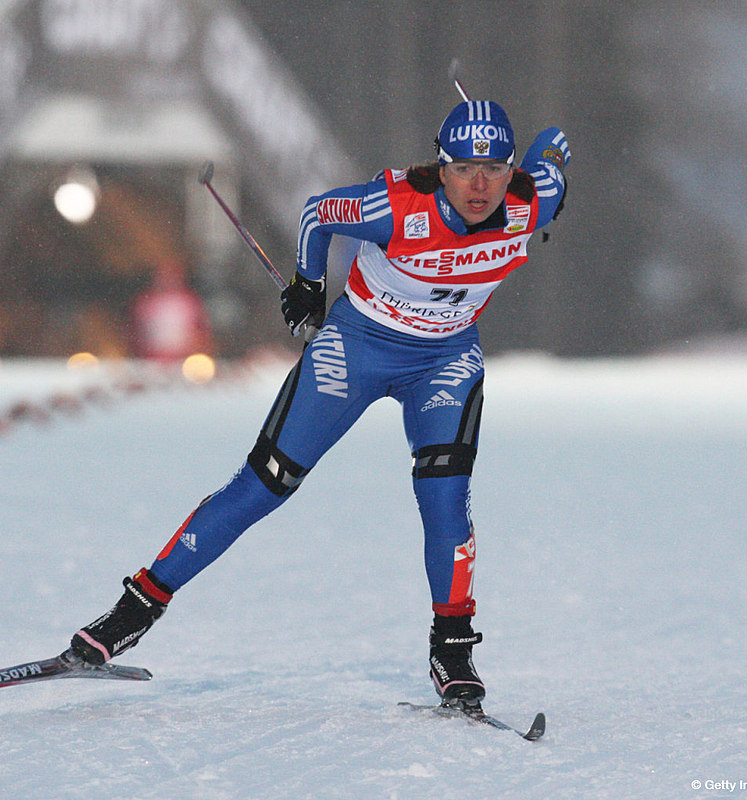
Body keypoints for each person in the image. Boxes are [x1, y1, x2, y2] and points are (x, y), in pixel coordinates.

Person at [68, 100, 570, 709]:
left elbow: (552, 148)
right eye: (464, 168)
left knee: (444, 498)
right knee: (265, 485)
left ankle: (453, 649)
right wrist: (310, 284)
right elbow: (317, 215)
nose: (480, 185)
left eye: (494, 168)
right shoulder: (395, 207)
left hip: (444, 359)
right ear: (441, 169)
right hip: (357, 348)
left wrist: (552, 154)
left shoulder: (531, 201)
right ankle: (131, 613)